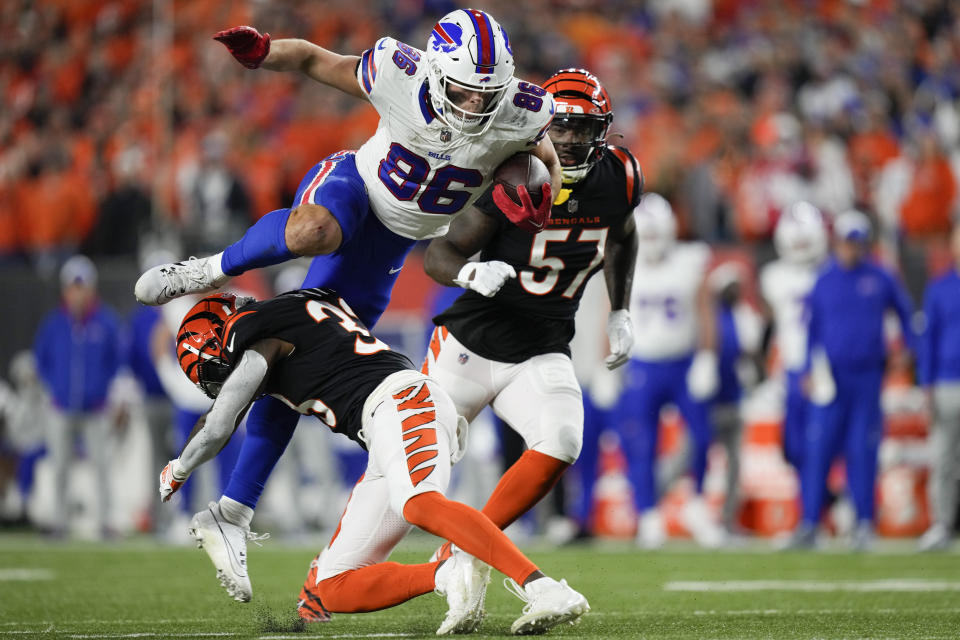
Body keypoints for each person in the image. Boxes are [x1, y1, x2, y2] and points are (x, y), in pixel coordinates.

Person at [135, 9, 560, 598]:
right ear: (436, 71)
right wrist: (264, 54)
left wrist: (545, 195)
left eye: (486, 93)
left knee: (304, 361)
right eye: (463, 88)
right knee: (316, 232)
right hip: (355, 191)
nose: (474, 105)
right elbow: (315, 61)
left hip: (391, 248)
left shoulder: (521, 107)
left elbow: (547, 162)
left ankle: (232, 512)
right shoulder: (399, 73)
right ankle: (204, 269)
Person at [159, 289, 589, 635]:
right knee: (333, 587)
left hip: (399, 403)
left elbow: (218, 425)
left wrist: (177, 469)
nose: (220, 379)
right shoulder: (297, 308)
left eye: (214, 369)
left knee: (419, 503)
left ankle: (543, 587)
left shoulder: (257, 334)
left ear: (222, 337)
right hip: (383, 425)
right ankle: (448, 573)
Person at [421, 68, 640, 550]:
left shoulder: (619, 176)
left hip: (544, 345)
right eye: (559, 127)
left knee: (562, 440)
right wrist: (469, 274)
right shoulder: (514, 172)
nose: (568, 139)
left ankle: (467, 549)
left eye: (581, 128)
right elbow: (439, 254)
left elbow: (622, 233)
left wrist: (619, 310)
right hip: (472, 345)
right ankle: (335, 572)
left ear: (601, 132)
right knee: (416, 466)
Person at [789, 210, 918, 551]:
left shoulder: (880, 276)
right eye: (847, 242)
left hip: (868, 375)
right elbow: (812, 328)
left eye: (858, 242)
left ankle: (864, 523)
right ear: (837, 242)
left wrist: (906, 348)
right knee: (818, 451)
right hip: (830, 377)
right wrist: (805, 369)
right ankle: (810, 524)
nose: (852, 248)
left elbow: (905, 314)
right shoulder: (824, 279)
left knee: (863, 450)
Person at [615, 193, 725, 548]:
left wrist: (707, 356)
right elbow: (614, 313)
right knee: (641, 443)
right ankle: (648, 513)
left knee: (702, 436)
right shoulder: (624, 261)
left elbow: (705, 309)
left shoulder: (690, 260)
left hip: (683, 362)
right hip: (643, 363)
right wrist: (609, 363)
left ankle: (696, 504)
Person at [34, 255, 123, 538]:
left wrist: (107, 393)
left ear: (92, 288)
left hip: (96, 409)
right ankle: (59, 521)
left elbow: (116, 362)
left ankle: (106, 522)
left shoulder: (106, 322)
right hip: (60, 408)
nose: (78, 292)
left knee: (102, 468)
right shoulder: (53, 324)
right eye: (73, 286)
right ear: (65, 289)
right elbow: (42, 361)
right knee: (59, 467)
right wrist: (52, 391)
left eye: (82, 286)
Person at [759, 202, 829, 476]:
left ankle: (822, 499)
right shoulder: (773, 276)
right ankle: (810, 501)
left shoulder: (830, 272)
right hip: (791, 366)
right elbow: (770, 327)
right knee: (796, 444)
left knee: (825, 440)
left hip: (825, 365)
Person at [916, 224, 960, 551]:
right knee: (943, 456)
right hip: (947, 382)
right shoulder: (940, 286)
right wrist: (926, 382)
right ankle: (942, 524)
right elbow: (927, 340)